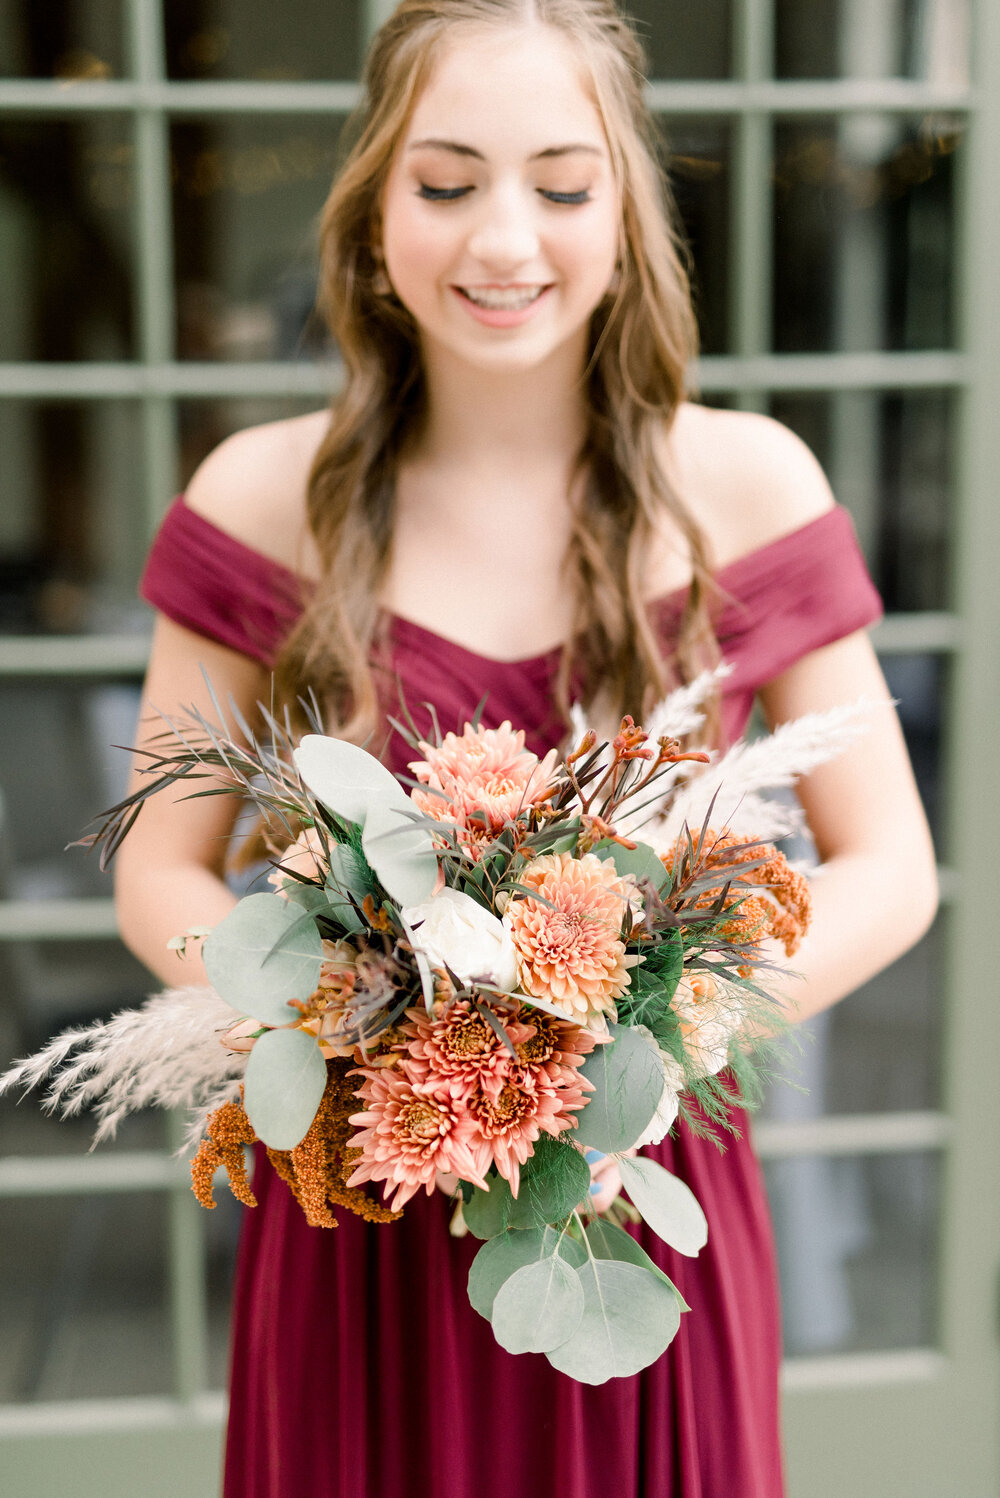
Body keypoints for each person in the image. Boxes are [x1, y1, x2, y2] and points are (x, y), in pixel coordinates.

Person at [116, 3, 938, 1494]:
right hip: (358, 1220)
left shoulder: (748, 482)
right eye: (447, 183)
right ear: (374, 211)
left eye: (562, 185)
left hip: (628, 1194)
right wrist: (342, 1017)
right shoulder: (256, 493)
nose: (506, 239)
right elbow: (159, 864)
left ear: (625, 214)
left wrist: (653, 1027)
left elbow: (895, 862)